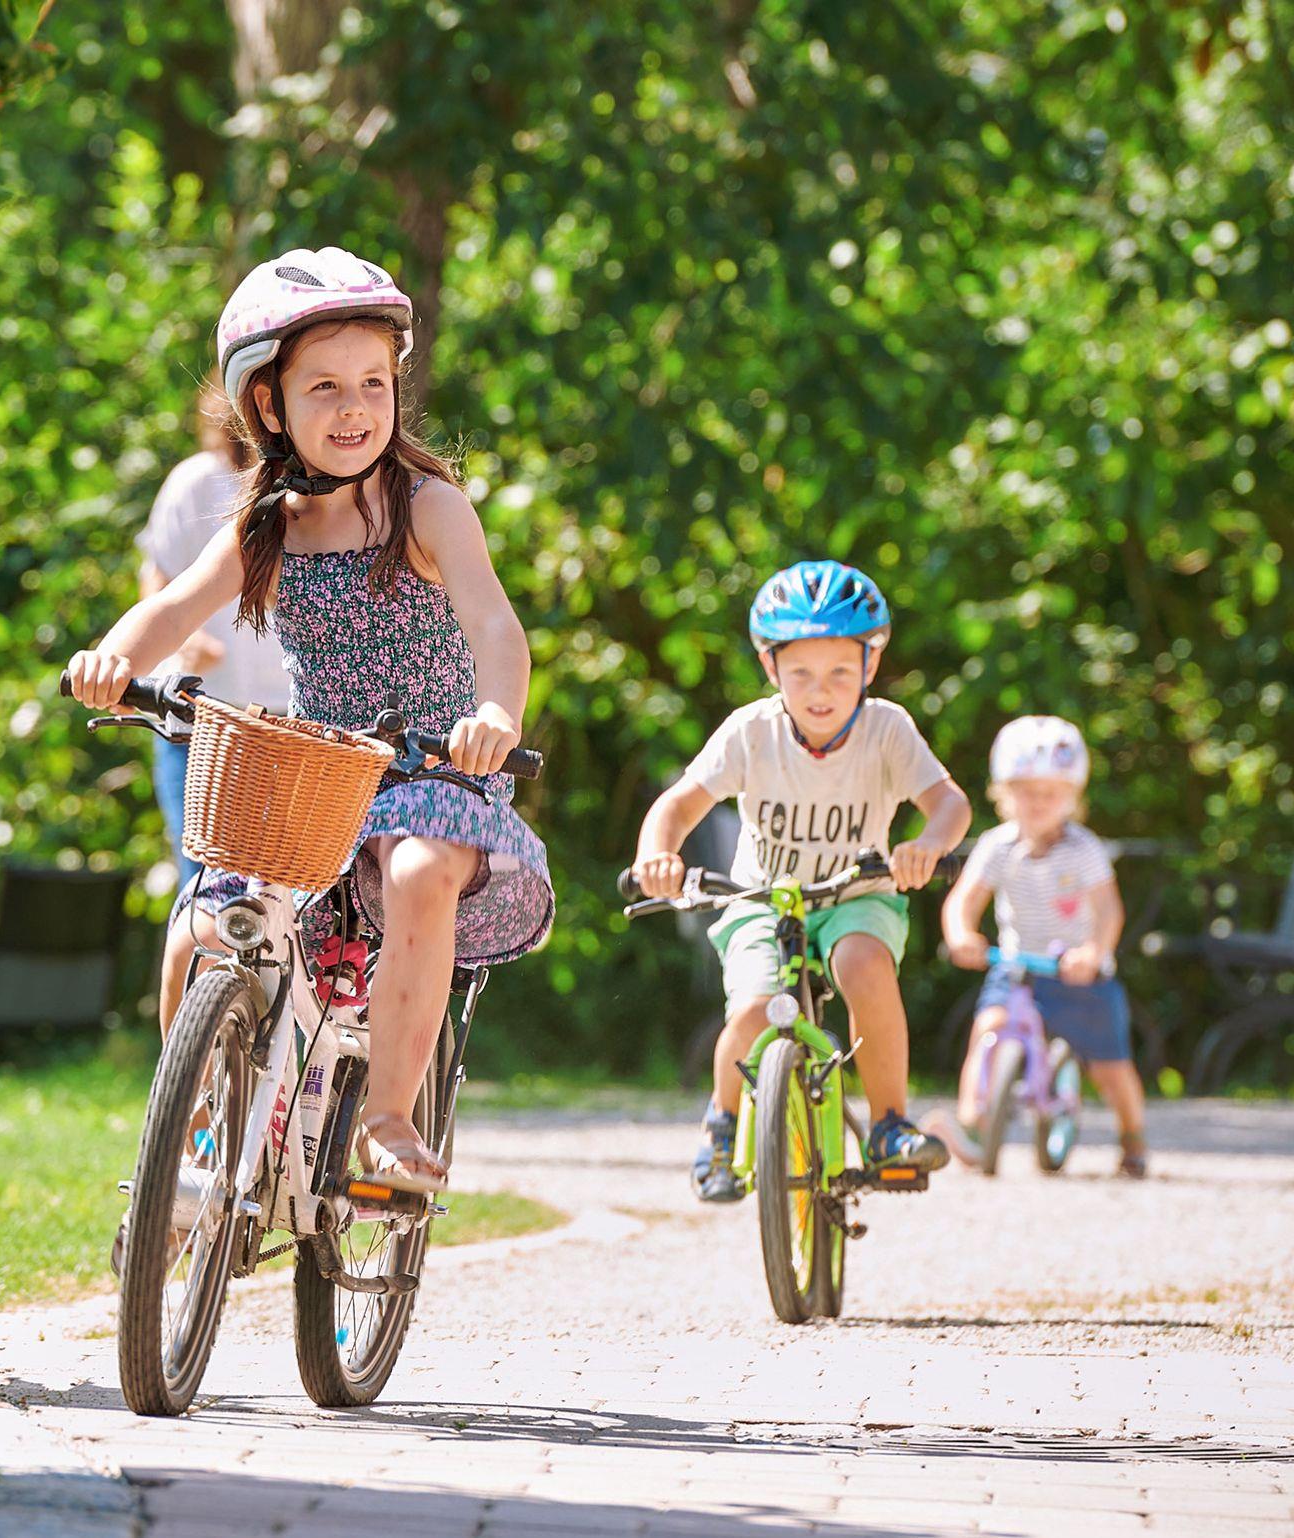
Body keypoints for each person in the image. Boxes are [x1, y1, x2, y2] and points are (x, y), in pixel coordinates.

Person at [67, 245, 553, 1193]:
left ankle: (388, 1118)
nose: (353, 407)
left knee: (417, 870)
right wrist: (113, 658)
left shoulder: (429, 508)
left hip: (433, 773)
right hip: (322, 781)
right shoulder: (269, 526)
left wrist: (496, 711)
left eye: (373, 383)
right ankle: (192, 1147)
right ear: (269, 405)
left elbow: (497, 627)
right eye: (323, 387)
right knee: (199, 928)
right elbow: (172, 606)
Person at [630, 560, 971, 1201]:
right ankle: (722, 1125)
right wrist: (657, 855)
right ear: (771, 668)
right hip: (764, 899)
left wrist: (929, 844)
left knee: (864, 964)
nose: (822, 690)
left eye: (841, 671)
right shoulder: (751, 731)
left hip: (856, 896)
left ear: (870, 664)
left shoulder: (887, 729)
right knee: (754, 1008)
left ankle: (890, 1124)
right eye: (802, 673)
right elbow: (677, 806)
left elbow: (949, 803)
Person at [940, 715, 1148, 1177]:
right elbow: (963, 901)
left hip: (1080, 974)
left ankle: (1132, 1136)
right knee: (987, 1030)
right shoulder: (998, 846)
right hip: (1018, 967)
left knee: (1110, 1066)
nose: (1038, 802)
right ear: (1003, 794)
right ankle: (973, 1123)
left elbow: (1109, 911)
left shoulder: (1083, 849)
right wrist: (961, 936)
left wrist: (1093, 951)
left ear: (1072, 797)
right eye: (1026, 791)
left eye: (1051, 793)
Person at [137, 375, 292, 887]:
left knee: (280, 894)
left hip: (287, 727)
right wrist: (184, 644)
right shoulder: (198, 482)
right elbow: (159, 579)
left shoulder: (312, 493)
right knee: (205, 887)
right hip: (198, 719)